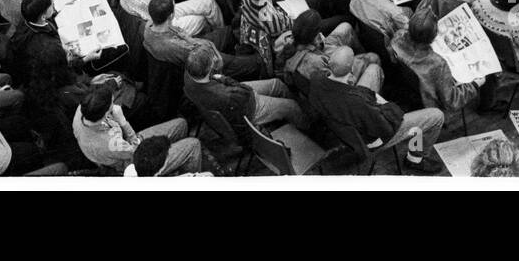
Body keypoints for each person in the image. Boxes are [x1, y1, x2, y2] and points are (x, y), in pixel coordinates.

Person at [308, 46, 444, 174]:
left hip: (348, 112)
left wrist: (371, 102)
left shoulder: (316, 78)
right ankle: (415, 159)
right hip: (371, 138)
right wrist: (387, 107)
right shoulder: (358, 103)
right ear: (350, 68)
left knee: (374, 69)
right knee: (436, 116)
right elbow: (386, 129)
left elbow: (355, 101)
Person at [72, 81, 202, 174]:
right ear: (106, 112)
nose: (115, 104)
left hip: (119, 148)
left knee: (181, 123)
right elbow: (136, 149)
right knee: (193, 144)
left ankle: (176, 160)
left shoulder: (81, 110)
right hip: (135, 162)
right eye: (112, 103)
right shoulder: (112, 144)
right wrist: (123, 121)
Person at [182, 45, 306, 136]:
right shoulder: (225, 95)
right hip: (248, 106)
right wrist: (223, 77)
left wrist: (219, 78)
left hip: (233, 98)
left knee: (277, 84)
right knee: (292, 106)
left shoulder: (188, 75)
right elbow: (246, 91)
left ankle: (296, 109)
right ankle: (307, 125)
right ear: (210, 68)